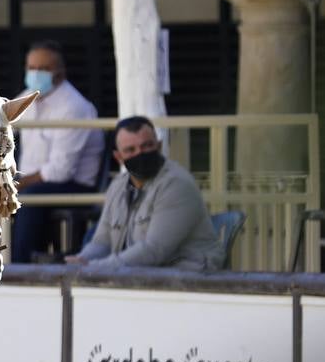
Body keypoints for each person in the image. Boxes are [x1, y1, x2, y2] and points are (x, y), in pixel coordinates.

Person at [66, 116, 225, 271]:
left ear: (159, 146)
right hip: (144, 273)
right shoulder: (118, 186)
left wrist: (95, 267)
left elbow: (154, 250)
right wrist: (82, 260)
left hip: (189, 275)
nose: (140, 154)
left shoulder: (176, 184)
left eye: (147, 146)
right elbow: (102, 241)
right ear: (118, 157)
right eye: (130, 150)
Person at [10, 40, 102, 261]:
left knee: (28, 197)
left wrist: (17, 182)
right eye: (31, 68)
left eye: (43, 69)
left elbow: (60, 171)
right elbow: (1, 127)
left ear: (60, 72)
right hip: (35, 182)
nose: (35, 74)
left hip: (75, 185)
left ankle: (19, 269)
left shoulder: (74, 106)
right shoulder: (28, 95)